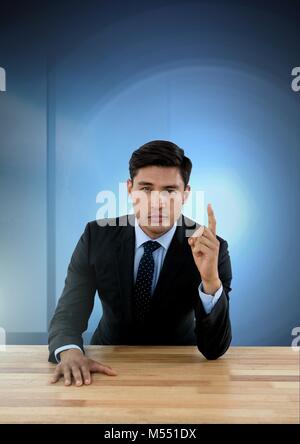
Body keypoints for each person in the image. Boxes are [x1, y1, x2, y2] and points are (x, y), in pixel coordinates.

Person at [48, 140, 232, 386]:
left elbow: (214, 349)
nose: (157, 202)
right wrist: (70, 352)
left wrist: (210, 280)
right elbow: (70, 311)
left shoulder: (211, 249)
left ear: (185, 194)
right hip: (107, 366)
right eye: (146, 189)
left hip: (179, 371)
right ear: (130, 189)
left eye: (169, 191)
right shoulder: (96, 237)